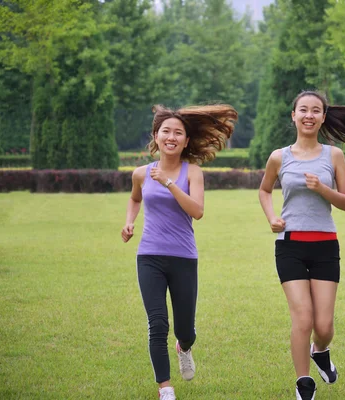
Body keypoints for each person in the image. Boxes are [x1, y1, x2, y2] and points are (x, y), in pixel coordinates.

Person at [258, 90, 345, 400]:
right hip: (290, 246)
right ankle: (303, 384)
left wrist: (323, 188)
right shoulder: (279, 156)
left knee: (323, 326)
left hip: (325, 246)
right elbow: (265, 191)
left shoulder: (333, 155)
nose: (309, 115)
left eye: (315, 111)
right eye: (303, 110)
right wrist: (272, 217)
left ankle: (320, 351)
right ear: (293, 116)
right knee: (303, 318)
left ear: (323, 117)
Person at [121, 104, 237, 400]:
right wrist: (129, 222)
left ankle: (184, 347)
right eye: (166, 131)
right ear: (156, 136)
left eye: (178, 133)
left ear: (186, 141)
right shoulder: (141, 173)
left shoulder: (192, 172)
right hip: (149, 256)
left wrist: (169, 183)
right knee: (157, 323)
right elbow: (135, 199)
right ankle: (165, 388)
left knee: (185, 329)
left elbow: (197, 211)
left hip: (184, 257)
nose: (171, 137)